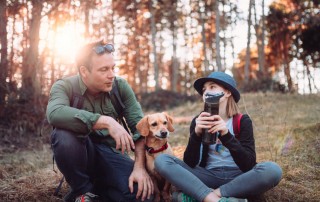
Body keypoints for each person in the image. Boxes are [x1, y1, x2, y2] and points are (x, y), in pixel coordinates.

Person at [46, 40, 154, 202]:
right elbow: (54, 113)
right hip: (80, 153)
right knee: (63, 135)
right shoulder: (64, 86)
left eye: (113, 68)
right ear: (84, 71)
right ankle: (83, 190)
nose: (111, 75)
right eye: (104, 69)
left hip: (110, 154)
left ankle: (96, 191)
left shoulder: (120, 87)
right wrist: (106, 121)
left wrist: (139, 167)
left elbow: (141, 130)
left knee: (143, 194)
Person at [154, 71, 282, 202]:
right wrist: (196, 134)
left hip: (238, 177)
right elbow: (190, 163)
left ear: (227, 92)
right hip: (207, 176)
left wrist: (226, 135)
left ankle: (207, 196)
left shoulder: (242, 121)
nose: (206, 92)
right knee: (162, 160)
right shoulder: (199, 120)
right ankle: (225, 199)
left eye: (212, 87)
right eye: (204, 90)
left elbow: (248, 165)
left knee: (273, 170)